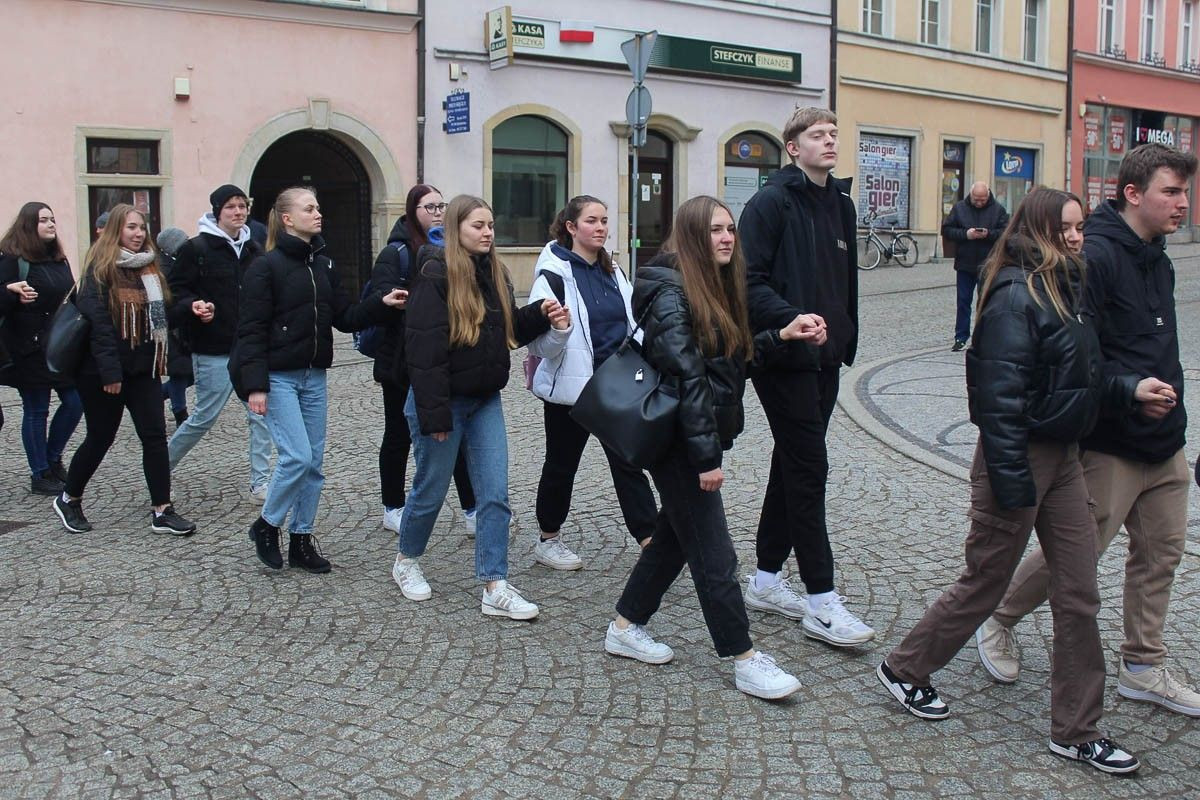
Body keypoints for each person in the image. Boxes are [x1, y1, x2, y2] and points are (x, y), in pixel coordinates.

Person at [876, 188, 1165, 774]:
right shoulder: (1015, 294)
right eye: (1068, 227)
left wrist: (1125, 389)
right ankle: (905, 667)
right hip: (1017, 457)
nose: (1079, 236)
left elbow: (1078, 375)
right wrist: (1010, 488)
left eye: (1082, 226)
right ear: (1039, 228)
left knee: (1080, 592)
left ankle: (1077, 729)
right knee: (987, 579)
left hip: (1064, 459)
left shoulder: (1068, 286)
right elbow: (997, 401)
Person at [978, 143, 1200, 717]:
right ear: (1133, 193)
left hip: (1163, 436)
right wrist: (1128, 390)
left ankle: (1143, 665)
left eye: (1184, 192)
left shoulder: (1159, 253)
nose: (1183, 203)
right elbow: (1078, 354)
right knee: (1073, 554)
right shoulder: (1092, 256)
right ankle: (999, 617)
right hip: (1107, 437)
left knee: (1161, 554)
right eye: (1170, 192)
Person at [605, 195, 824, 699]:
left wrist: (781, 334)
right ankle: (743, 657)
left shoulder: (711, 286)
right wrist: (706, 458)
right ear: (690, 237)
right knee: (716, 555)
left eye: (729, 229)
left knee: (674, 540)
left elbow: (729, 359)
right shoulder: (671, 294)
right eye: (714, 231)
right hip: (679, 442)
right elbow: (688, 381)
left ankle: (624, 626)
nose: (726, 238)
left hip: (691, 434)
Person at [391, 195, 569, 619]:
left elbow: (503, 331)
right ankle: (406, 560)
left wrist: (540, 315)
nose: (487, 232)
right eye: (478, 225)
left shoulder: (495, 272)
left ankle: (495, 584)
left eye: (490, 225)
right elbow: (424, 351)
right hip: (442, 403)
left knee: (495, 495)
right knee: (430, 490)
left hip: (485, 399)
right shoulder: (435, 274)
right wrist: (434, 416)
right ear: (456, 229)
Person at [737, 106, 874, 646]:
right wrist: (788, 318)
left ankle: (766, 579)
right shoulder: (770, 202)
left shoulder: (840, 204)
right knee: (809, 467)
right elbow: (747, 281)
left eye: (834, 134)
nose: (829, 141)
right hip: (783, 356)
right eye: (817, 135)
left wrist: (842, 336)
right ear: (792, 147)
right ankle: (822, 600)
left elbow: (843, 283)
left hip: (826, 358)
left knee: (792, 463)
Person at [234, 186, 406, 573]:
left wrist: (381, 305)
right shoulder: (265, 267)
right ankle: (267, 525)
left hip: (314, 377)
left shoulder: (324, 265)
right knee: (296, 457)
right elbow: (251, 331)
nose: (318, 213)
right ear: (287, 218)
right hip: (278, 377)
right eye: (309, 208)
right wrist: (255, 384)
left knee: (313, 464)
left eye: (318, 206)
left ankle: (301, 539)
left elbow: (345, 317)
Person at [526, 195, 657, 568]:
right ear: (571, 227)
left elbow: (633, 323)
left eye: (604, 220)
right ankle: (548, 538)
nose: (601, 228)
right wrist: (560, 330)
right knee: (562, 464)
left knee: (628, 462)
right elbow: (541, 346)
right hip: (572, 391)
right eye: (592, 221)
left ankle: (651, 540)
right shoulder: (553, 274)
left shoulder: (612, 270)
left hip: (616, 385)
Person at [52, 204, 196, 536]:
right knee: (101, 437)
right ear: (116, 230)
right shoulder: (98, 269)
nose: (138, 234)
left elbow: (158, 320)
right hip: (102, 373)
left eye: (142, 228)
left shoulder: (149, 270)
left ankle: (162, 510)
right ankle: (69, 497)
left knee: (155, 437)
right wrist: (111, 373)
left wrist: (190, 308)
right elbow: (100, 327)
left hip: (143, 369)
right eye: (131, 227)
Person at [370, 184, 477, 536]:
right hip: (401, 360)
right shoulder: (396, 252)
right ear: (412, 210)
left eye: (441, 205)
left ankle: (472, 508)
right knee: (398, 433)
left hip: (443, 357)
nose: (437, 212)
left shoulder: (450, 249)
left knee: (455, 433)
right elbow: (380, 299)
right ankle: (393, 505)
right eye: (429, 206)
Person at [167, 185, 273, 500]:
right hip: (212, 348)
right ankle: (160, 467)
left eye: (242, 206)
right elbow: (176, 293)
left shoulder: (254, 249)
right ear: (218, 211)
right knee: (204, 417)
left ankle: (260, 482)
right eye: (231, 207)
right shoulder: (195, 248)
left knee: (260, 416)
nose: (238, 212)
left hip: (249, 349)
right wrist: (193, 306)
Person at [0, 202, 83, 495]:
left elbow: (71, 295)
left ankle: (52, 457)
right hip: (27, 346)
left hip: (59, 346)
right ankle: (39, 473)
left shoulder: (59, 259)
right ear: (28, 225)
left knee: (75, 403)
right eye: (43, 220)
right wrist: (13, 295)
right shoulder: (13, 259)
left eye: (52, 219)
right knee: (36, 409)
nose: (51, 224)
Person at [941, 181, 1009, 351]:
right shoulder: (959, 208)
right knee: (963, 302)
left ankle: (983, 336)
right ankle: (961, 336)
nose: (979, 202)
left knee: (985, 301)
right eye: (976, 199)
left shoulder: (998, 210)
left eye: (982, 199)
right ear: (971, 196)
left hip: (988, 264)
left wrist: (988, 234)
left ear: (988, 195)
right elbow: (947, 230)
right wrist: (966, 234)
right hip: (965, 263)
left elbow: (1006, 233)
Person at [155, 227, 193, 429]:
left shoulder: (178, 263)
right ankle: (180, 413)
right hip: (171, 328)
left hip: (182, 326)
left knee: (187, 373)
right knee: (179, 371)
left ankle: (157, 396)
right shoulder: (164, 268)